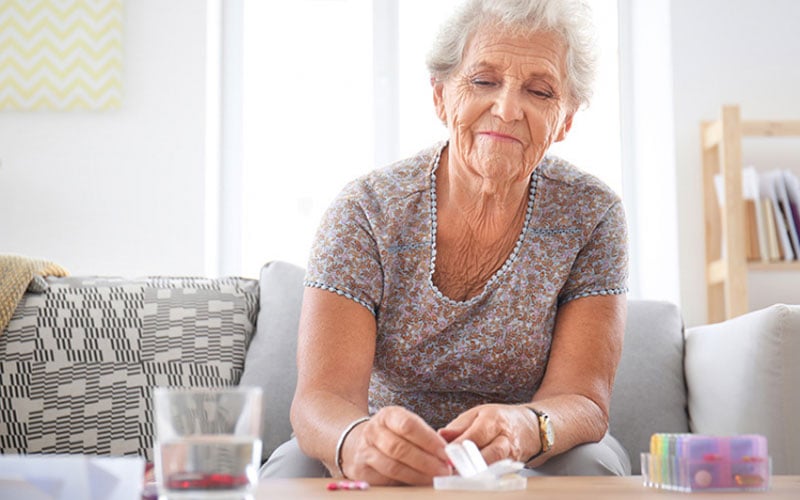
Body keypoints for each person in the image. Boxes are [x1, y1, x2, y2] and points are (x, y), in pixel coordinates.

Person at [260, 0, 630, 485]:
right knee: (291, 470)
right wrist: (356, 440)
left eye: (539, 91)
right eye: (483, 81)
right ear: (440, 96)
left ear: (564, 120)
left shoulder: (592, 213)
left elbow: (582, 399)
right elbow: (320, 400)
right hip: (381, 437)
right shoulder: (366, 210)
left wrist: (528, 425)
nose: (507, 108)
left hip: (526, 450)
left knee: (592, 466)